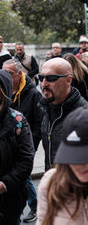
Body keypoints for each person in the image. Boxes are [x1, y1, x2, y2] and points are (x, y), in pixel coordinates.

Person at [2, 59, 43, 222]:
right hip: (10, 145)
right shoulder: (6, 90)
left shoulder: (33, 94)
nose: (5, 76)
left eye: (9, 73)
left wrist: (29, 141)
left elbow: (39, 122)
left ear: (19, 74)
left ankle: (35, 205)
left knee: (23, 174)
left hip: (26, 142)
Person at [38, 58, 88, 170]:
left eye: (51, 78)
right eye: (41, 78)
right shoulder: (44, 108)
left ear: (68, 80)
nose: (44, 83)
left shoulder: (87, 116)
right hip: (54, 183)